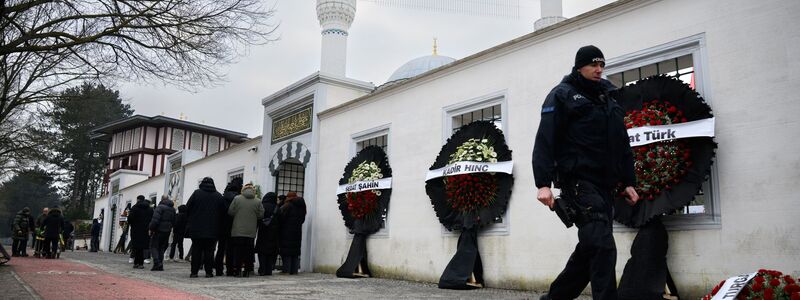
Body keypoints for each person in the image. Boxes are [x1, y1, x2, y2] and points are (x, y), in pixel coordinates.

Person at [533, 45, 639, 300]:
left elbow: (621, 143)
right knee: (603, 247)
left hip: (605, 186)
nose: (599, 69)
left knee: (591, 248)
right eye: (593, 65)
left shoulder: (608, 98)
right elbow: (545, 140)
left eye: (601, 64)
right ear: (579, 66)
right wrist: (543, 183)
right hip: (579, 184)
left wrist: (628, 181)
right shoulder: (562, 95)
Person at [185, 177, 226, 278]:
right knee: (209, 251)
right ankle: (209, 272)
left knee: (196, 250)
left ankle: (194, 272)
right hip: (213, 229)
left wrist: (192, 220)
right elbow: (224, 212)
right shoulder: (218, 196)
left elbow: (187, 208)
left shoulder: (196, 193)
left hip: (197, 229)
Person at [227, 183, 264, 277]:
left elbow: (230, 211)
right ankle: (247, 270)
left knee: (237, 251)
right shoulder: (258, 201)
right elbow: (261, 215)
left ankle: (237, 270)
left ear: (242, 190)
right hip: (251, 231)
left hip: (237, 231)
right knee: (248, 251)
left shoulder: (237, 199)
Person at [215, 177, 242, 276]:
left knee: (221, 248)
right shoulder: (239, 199)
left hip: (222, 226)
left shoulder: (222, 198)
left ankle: (218, 269)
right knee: (231, 249)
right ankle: (230, 270)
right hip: (234, 226)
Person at [278, 192, 306, 275]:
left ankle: (286, 270)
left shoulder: (288, 205)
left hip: (286, 231)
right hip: (297, 231)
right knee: (295, 252)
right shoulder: (302, 206)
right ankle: (294, 270)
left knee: (287, 252)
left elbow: (280, 216)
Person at [148, 195, 176, 271]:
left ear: (161, 199)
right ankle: (160, 265)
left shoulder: (159, 207)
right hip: (167, 231)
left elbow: (155, 220)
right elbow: (174, 221)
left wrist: (151, 228)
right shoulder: (173, 209)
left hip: (158, 230)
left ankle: (157, 262)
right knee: (161, 247)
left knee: (154, 246)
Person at [255, 192, 280, 276]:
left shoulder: (262, 206)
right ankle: (269, 270)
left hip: (263, 231)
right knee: (271, 252)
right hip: (274, 233)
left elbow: (258, 217)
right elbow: (281, 219)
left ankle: (262, 269)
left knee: (262, 252)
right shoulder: (277, 207)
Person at [127, 195, 154, 269]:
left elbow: (130, 219)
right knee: (142, 247)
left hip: (135, 230)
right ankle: (141, 263)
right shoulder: (149, 209)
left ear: (138, 199)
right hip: (145, 230)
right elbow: (152, 219)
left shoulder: (134, 208)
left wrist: (132, 224)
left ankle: (136, 263)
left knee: (136, 246)